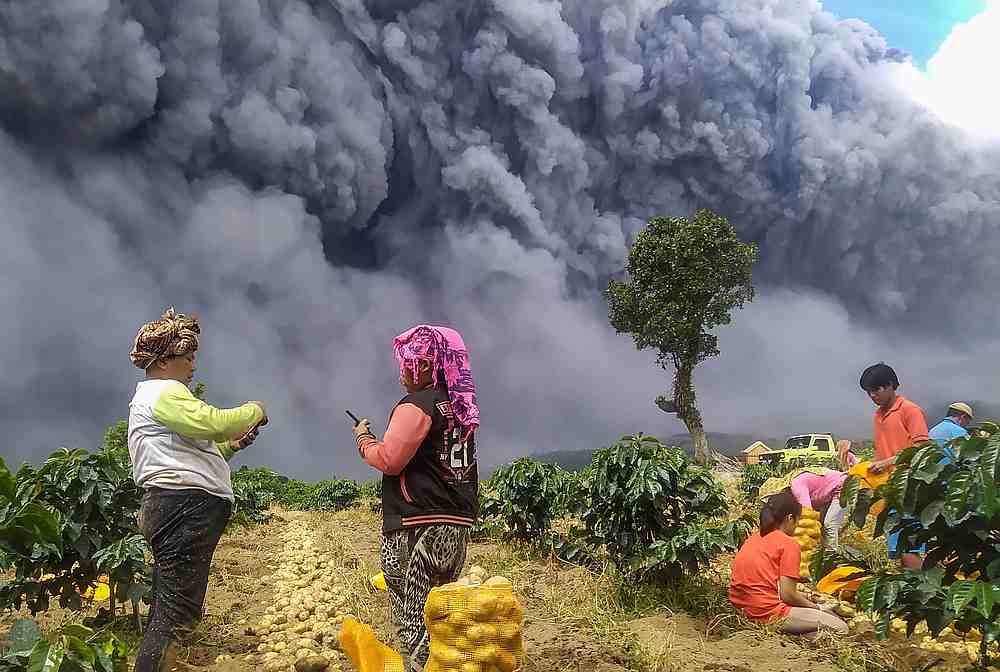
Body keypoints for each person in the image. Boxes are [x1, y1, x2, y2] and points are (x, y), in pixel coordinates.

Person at [128, 308, 267, 672]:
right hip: (181, 507)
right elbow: (212, 422)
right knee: (174, 614)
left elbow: (194, 450)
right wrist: (253, 410)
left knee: (171, 605)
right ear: (162, 362)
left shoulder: (156, 399)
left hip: (176, 505)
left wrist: (232, 447)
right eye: (187, 358)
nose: (192, 366)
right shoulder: (164, 392)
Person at [352, 325, 479, 671]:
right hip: (455, 526)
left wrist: (364, 440)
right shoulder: (460, 410)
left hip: (416, 523)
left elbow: (390, 461)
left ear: (423, 365)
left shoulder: (417, 405)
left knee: (415, 620)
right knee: (441, 612)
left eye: (406, 363)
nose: (402, 373)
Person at [730, 490, 849, 638]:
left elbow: (771, 585)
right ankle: (799, 636)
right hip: (765, 612)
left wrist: (808, 596)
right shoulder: (788, 544)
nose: (797, 527)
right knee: (841, 627)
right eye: (798, 521)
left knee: (822, 619)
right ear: (790, 518)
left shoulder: (754, 538)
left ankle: (796, 633)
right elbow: (787, 595)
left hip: (741, 608)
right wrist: (816, 607)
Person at [859, 362, 929, 570]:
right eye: (868, 392)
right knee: (897, 545)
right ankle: (909, 591)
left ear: (891, 385)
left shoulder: (910, 410)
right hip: (890, 489)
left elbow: (921, 447)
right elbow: (882, 451)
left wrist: (887, 463)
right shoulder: (878, 415)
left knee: (910, 546)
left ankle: (920, 594)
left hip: (910, 487)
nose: (873, 395)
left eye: (876, 389)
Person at [789, 470, 849, 551]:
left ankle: (831, 557)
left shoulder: (797, 486)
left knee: (829, 523)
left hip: (842, 486)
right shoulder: (794, 491)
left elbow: (808, 513)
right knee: (822, 526)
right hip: (828, 494)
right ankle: (822, 554)